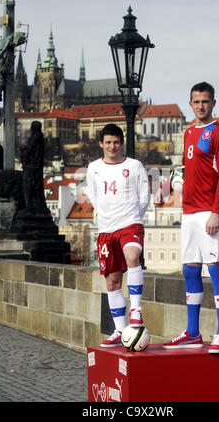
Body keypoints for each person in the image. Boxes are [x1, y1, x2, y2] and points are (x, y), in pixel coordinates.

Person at [161, 82, 219, 354]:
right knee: (190, 270)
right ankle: (192, 332)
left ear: (213, 103)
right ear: (190, 104)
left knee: (215, 269)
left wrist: (216, 211)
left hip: (209, 212)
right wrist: (166, 187)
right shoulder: (189, 132)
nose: (200, 106)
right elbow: (183, 168)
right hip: (189, 212)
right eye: (196, 101)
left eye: (205, 101)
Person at [86, 123, 150, 347]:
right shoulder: (93, 168)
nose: (112, 146)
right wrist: (106, 214)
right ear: (101, 144)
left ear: (121, 143)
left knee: (133, 257)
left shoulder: (135, 166)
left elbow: (144, 196)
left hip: (129, 223)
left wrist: (132, 215)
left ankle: (136, 310)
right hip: (106, 229)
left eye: (116, 142)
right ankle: (120, 330)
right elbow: (92, 195)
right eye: (108, 142)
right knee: (112, 282)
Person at [20, 121, 48, 213]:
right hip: (37, 166)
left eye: (32, 127)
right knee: (36, 187)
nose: (31, 129)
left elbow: (28, 151)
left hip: (31, 167)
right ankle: (35, 205)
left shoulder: (33, 139)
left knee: (27, 186)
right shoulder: (40, 138)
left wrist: (23, 150)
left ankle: (30, 206)